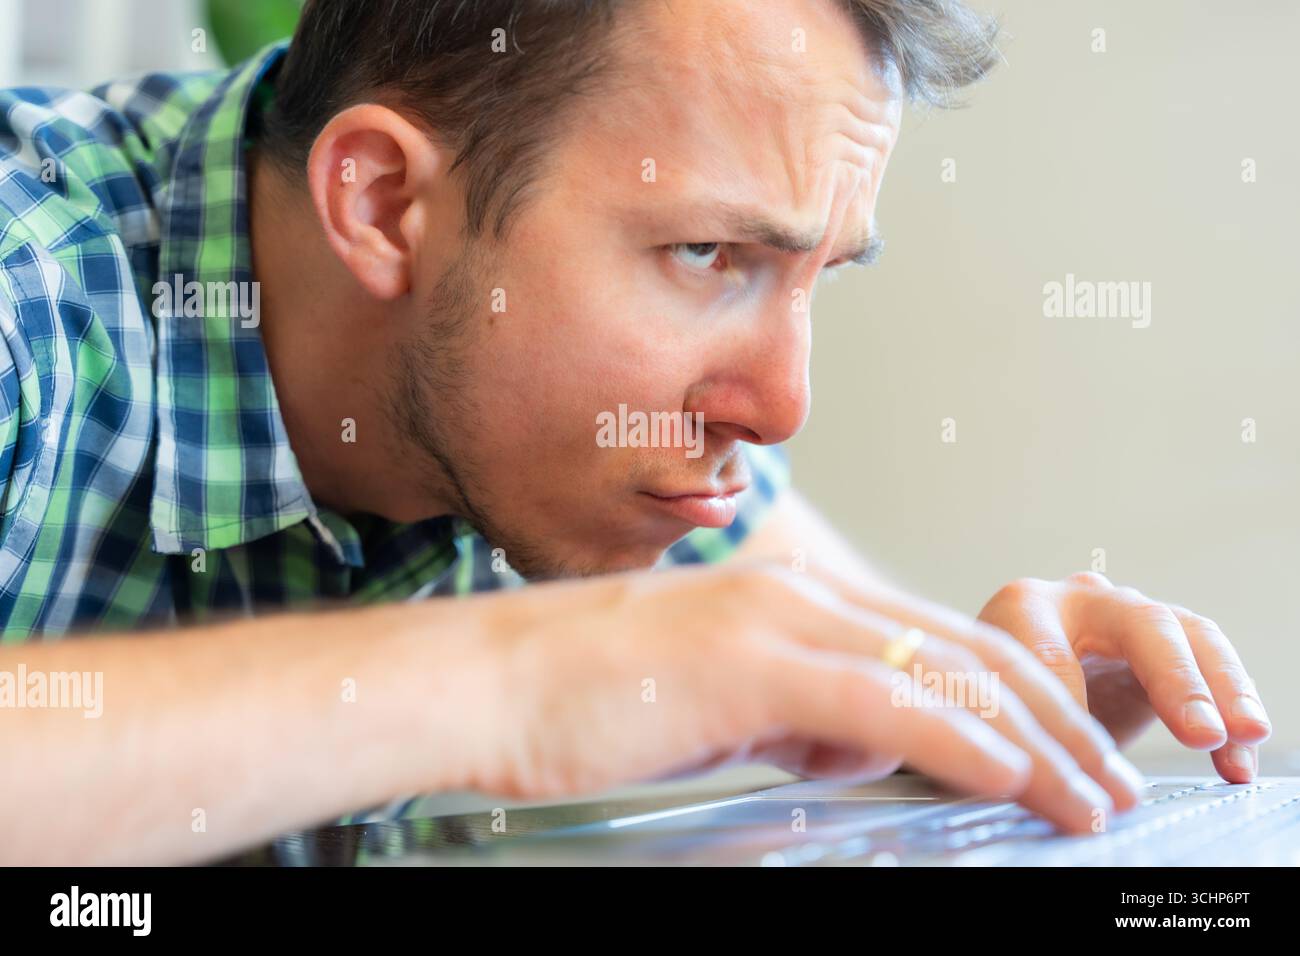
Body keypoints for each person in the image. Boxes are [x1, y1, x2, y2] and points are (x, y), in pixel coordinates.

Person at [0, 0, 1269, 865]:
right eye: (708, 253)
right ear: (384, 202)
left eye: (817, 273)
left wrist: (980, 724)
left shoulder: (608, 439)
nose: (779, 405)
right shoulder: (29, 289)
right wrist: (523, 674)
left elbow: (849, 669)